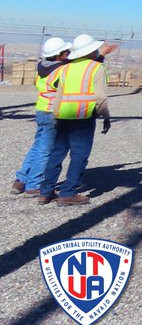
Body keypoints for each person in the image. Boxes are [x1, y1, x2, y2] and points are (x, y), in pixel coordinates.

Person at [37, 35, 114, 206]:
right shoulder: (97, 67)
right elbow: (101, 96)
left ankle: (45, 191)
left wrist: (55, 114)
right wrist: (106, 117)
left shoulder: (65, 68)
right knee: (79, 154)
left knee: (56, 153)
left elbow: (59, 94)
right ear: (90, 51)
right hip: (83, 117)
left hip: (62, 115)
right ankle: (68, 193)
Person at [9, 37, 72, 196]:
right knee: (45, 150)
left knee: (37, 147)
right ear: (58, 55)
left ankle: (21, 180)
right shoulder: (61, 71)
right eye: (66, 52)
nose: (68, 54)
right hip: (53, 113)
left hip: (42, 110)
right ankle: (34, 184)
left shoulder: (42, 67)